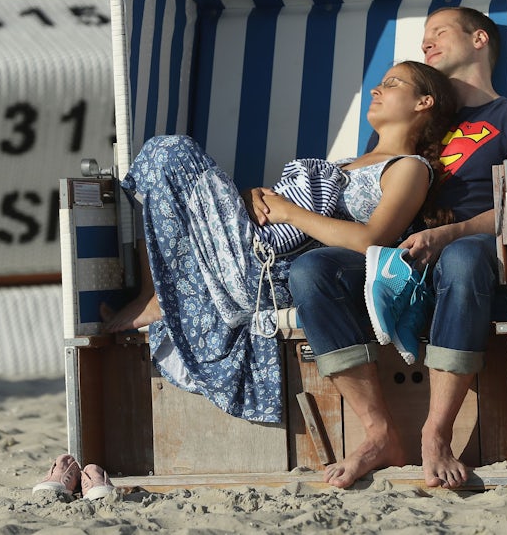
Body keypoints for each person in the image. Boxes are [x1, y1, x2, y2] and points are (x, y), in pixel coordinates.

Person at [100, 61, 457, 424]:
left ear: (423, 102)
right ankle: (155, 291)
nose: (376, 90)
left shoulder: (409, 167)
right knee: (166, 164)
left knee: (172, 150)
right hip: (261, 251)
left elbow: (371, 240)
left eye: (391, 84)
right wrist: (251, 201)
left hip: (276, 274)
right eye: (378, 84)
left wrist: (288, 213)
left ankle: (157, 295)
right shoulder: (347, 163)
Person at [288, 6, 507, 489]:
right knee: (310, 271)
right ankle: (379, 432)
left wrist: (450, 233)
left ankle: (436, 432)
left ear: (479, 39)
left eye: (440, 32)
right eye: (424, 35)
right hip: (396, 254)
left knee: (466, 255)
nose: (427, 42)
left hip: (464, 250)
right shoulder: (414, 115)